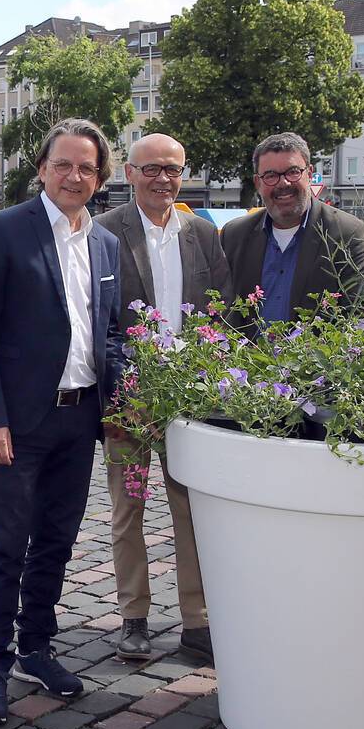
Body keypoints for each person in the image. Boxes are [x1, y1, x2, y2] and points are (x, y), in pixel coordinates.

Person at [0, 118, 124, 726]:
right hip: (19, 424)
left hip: (80, 420)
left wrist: (120, 397)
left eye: (86, 167)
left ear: (100, 177)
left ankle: (37, 648)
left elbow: (108, 330)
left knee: (56, 541)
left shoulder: (105, 243)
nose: (74, 176)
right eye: (63, 164)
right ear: (42, 169)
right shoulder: (5, 231)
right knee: (6, 545)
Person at [97, 134, 228, 664]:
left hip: (188, 400)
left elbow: (219, 314)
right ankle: (134, 616)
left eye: (171, 169)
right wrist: (115, 392)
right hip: (129, 400)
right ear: (128, 174)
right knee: (129, 508)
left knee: (189, 508)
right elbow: (98, 320)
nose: (162, 179)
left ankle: (197, 621)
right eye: (150, 169)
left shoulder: (203, 234)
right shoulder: (105, 233)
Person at [220, 133, 364, 325]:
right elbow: (221, 307)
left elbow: (360, 314)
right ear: (258, 183)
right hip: (246, 354)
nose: (283, 183)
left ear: (309, 174)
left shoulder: (347, 233)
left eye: (293, 172)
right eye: (270, 176)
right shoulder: (234, 235)